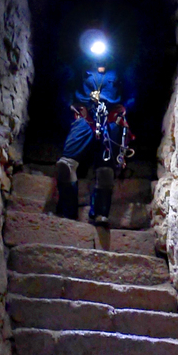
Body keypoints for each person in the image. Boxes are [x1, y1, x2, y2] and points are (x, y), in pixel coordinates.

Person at [55, 32, 134, 225]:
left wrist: (125, 110)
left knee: (106, 171)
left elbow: (133, 94)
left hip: (111, 117)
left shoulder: (120, 71)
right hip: (86, 115)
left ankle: (100, 212)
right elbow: (65, 87)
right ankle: (68, 210)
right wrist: (69, 105)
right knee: (65, 165)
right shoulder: (80, 67)